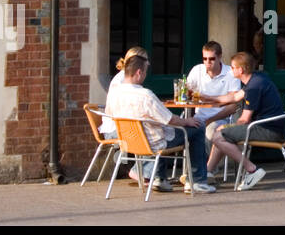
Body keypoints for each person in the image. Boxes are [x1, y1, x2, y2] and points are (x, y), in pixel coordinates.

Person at [108, 54, 215, 193]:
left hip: (129, 141)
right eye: (145, 72)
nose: (145, 76)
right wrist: (187, 121)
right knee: (197, 127)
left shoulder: (115, 94)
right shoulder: (145, 95)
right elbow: (170, 119)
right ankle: (197, 181)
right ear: (139, 72)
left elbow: (110, 115)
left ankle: (159, 178)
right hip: (153, 142)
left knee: (159, 127)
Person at [206, 52, 285, 189]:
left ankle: (252, 169)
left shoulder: (253, 87)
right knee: (220, 133)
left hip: (267, 130)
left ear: (240, 70)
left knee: (218, 136)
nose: (231, 70)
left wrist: (227, 128)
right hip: (271, 127)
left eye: (233, 67)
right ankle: (206, 173)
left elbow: (244, 120)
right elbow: (235, 98)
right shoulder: (256, 79)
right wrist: (208, 98)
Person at [185, 41, 241, 158]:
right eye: (204, 59)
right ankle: (191, 172)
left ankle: (208, 171)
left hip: (222, 118)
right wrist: (187, 93)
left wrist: (210, 120)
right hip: (198, 117)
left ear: (220, 57)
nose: (207, 62)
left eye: (211, 59)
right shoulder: (197, 70)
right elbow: (185, 92)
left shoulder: (230, 73)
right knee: (181, 133)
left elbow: (233, 105)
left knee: (210, 133)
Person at [100, 46, 148, 139]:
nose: (147, 63)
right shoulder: (124, 80)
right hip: (116, 130)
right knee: (153, 135)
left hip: (118, 127)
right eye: (144, 60)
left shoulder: (126, 76)